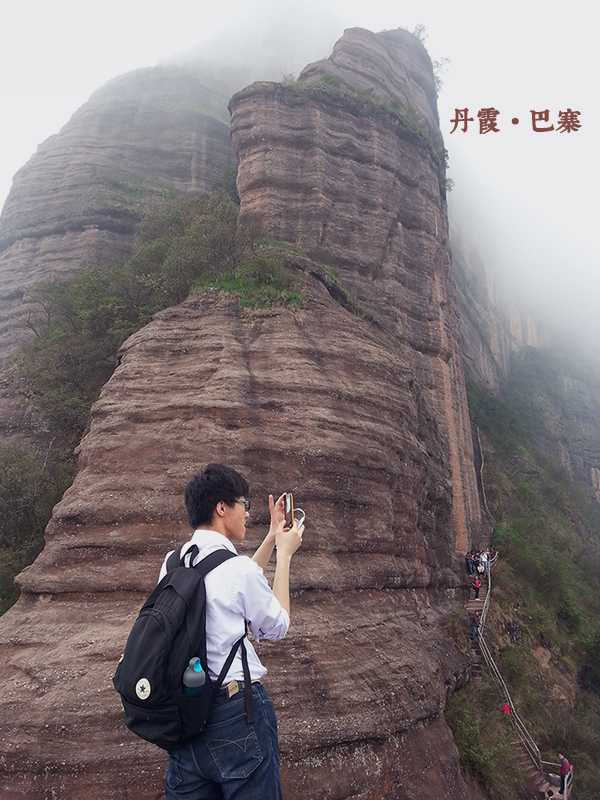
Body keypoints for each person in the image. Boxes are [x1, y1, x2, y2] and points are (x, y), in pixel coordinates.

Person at [160, 463, 304, 800]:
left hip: (184, 716)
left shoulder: (172, 563)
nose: (247, 515)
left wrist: (270, 536)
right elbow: (276, 626)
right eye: (244, 505)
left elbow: (226, 585)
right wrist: (284, 556)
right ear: (221, 508)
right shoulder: (236, 570)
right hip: (235, 713)